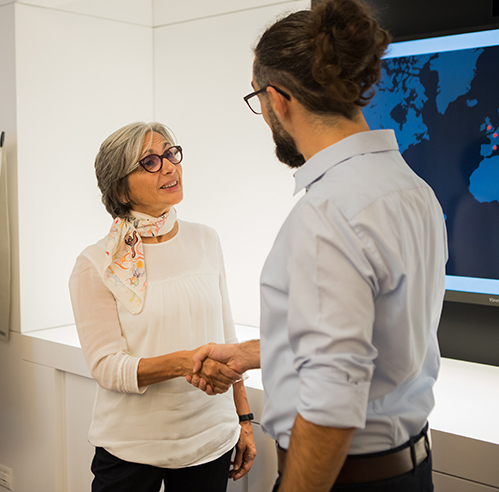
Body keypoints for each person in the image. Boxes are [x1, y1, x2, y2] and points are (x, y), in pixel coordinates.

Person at [189, 1, 448, 491]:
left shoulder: (329, 214)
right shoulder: (414, 189)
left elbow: (331, 403)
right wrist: (250, 353)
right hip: (410, 471)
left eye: (257, 102)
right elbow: (372, 339)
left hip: (343, 479)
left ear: (277, 99)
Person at [69, 121, 256, 492]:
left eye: (171, 153)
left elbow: (227, 333)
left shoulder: (206, 239)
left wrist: (244, 419)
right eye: (150, 162)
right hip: (130, 449)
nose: (169, 166)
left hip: (210, 441)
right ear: (120, 189)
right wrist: (188, 362)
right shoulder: (96, 264)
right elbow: (108, 367)